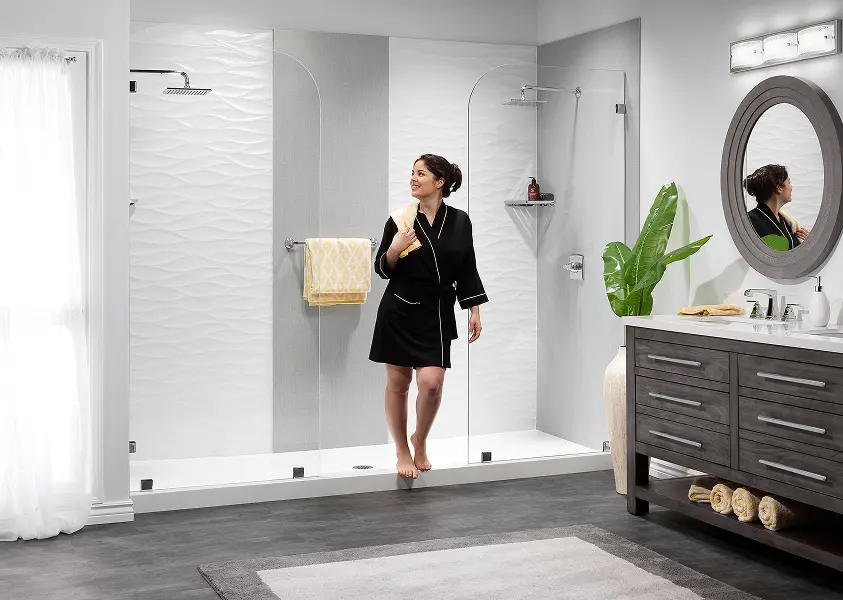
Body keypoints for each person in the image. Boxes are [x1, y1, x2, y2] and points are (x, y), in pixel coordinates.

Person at [369, 154, 488, 479]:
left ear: (439, 182)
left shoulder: (461, 221)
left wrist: (474, 308)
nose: (413, 178)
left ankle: (419, 438)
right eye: (412, 173)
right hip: (400, 308)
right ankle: (402, 450)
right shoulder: (401, 219)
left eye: (420, 174)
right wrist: (394, 247)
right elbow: (382, 268)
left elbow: (467, 268)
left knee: (432, 384)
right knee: (399, 384)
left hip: (437, 312)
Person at [744, 164, 809, 250]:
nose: (791, 186)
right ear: (779, 188)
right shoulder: (750, 220)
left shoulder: (786, 221)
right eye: (789, 182)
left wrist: (809, 242)